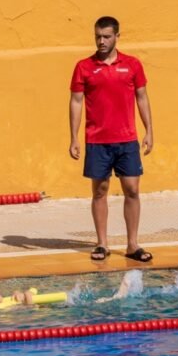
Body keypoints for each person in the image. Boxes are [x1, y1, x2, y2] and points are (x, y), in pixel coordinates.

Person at [69, 16, 154, 264]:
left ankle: (132, 244)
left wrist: (149, 130)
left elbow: (142, 97)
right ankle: (102, 243)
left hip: (127, 139)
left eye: (106, 36)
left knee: (132, 190)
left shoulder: (132, 65)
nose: (101, 41)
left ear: (117, 36)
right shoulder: (84, 67)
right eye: (98, 36)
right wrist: (74, 137)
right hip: (97, 140)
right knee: (100, 191)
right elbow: (76, 102)